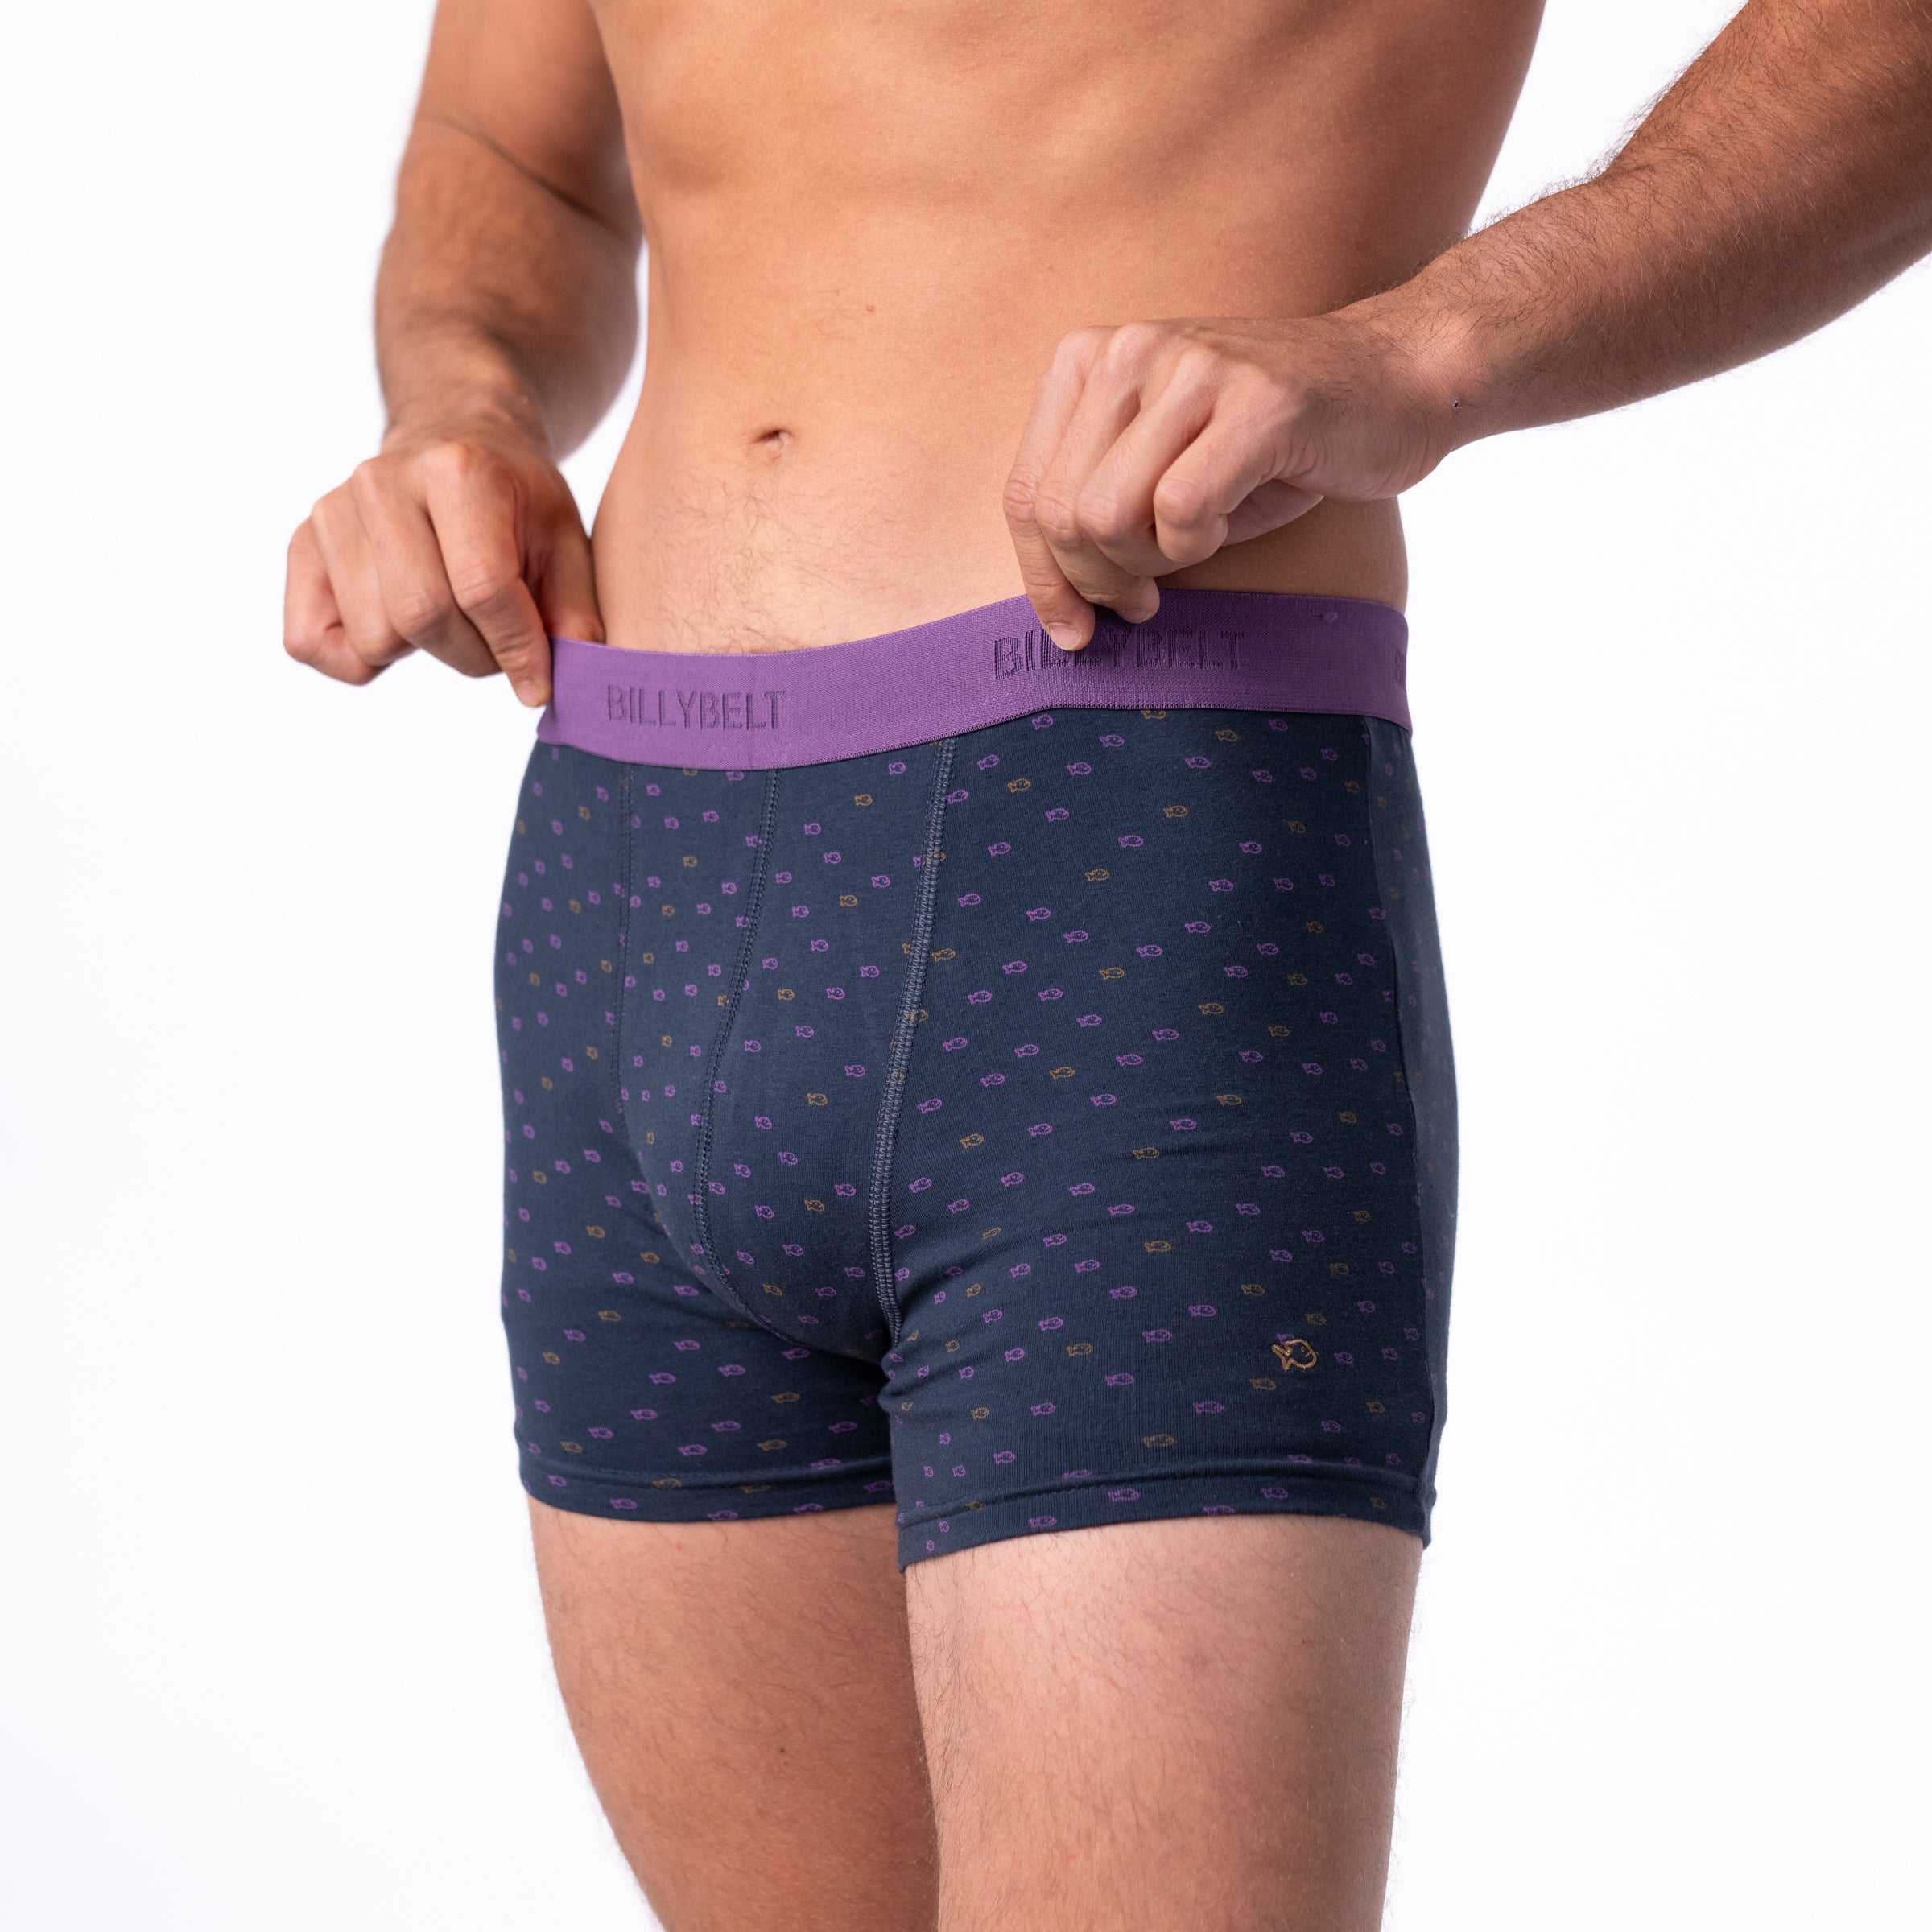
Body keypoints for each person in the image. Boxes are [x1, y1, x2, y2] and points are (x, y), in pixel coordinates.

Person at [283, 2, 1932, 1924]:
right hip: (626, 883)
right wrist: (462, 399)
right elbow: (516, 157)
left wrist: (1429, 346)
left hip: (1121, 873)